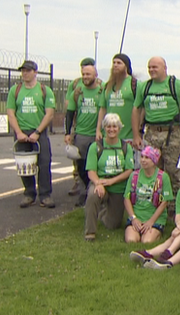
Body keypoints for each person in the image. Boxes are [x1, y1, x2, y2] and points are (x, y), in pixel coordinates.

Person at [132, 57, 180, 203]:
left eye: (155, 67)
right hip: (152, 133)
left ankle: (174, 207)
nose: (151, 70)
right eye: (149, 67)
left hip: (171, 133)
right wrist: (136, 135)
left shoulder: (176, 85)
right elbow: (136, 109)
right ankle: (154, 204)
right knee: (152, 170)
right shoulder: (145, 87)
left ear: (164, 68)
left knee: (172, 171)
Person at [6, 60, 56, 208]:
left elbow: (50, 114)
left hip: (39, 133)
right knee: (24, 165)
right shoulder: (15, 90)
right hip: (22, 133)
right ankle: (29, 193)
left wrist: (37, 132)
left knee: (44, 163)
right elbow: (11, 113)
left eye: (28, 71)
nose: (25, 73)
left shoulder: (44, 90)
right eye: (23, 71)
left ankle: (45, 195)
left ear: (35, 72)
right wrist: (19, 132)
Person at [84, 113, 134, 241]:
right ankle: (90, 232)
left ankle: (103, 213)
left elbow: (129, 170)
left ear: (119, 128)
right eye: (108, 127)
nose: (111, 129)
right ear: (104, 128)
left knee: (113, 225)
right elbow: (91, 171)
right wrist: (98, 183)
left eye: (114, 126)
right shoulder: (95, 147)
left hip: (117, 186)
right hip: (100, 183)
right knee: (93, 195)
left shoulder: (125, 147)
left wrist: (112, 181)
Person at [65, 58, 102, 207]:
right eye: (83, 74)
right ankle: (84, 193)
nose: (86, 77)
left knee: (97, 165)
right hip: (81, 134)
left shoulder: (103, 89)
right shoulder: (78, 91)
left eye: (88, 74)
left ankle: (96, 194)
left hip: (98, 135)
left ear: (95, 74)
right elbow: (70, 112)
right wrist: (67, 133)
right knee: (81, 166)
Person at [124, 146, 173, 243]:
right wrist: (133, 218)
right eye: (142, 157)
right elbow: (126, 198)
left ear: (154, 161)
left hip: (155, 218)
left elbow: (164, 202)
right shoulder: (134, 175)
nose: (143, 160)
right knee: (131, 240)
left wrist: (151, 221)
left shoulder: (163, 177)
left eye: (147, 158)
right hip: (137, 216)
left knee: (146, 241)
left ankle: (157, 232)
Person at [97, 53, 137, 145]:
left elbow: (139, 109)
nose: (115, 65)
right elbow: (103, 109)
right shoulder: (108, 85)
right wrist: (98, 130)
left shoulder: (135, 84)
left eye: (119, 63)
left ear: (126, 66)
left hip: (128, 137)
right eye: (114, 63)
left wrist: (137, 134)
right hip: (108, 136)